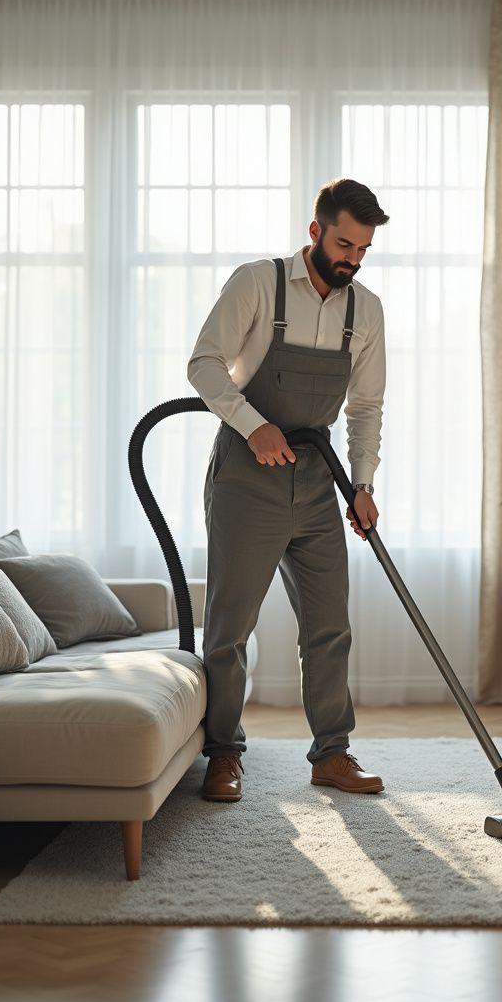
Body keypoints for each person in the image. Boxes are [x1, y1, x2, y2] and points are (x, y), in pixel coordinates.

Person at [187, 178, 389, 804]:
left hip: (318, 479)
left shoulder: (367, 310)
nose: (352, 259)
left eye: (363, 248)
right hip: (248, 477)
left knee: (330, 626)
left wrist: (361, 485)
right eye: (343, 243)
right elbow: (204, 363)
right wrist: (252, 425)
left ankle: (332, 754)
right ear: (316, 231)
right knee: (230, 628)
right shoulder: (258, 283)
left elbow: (365, 407)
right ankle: (223, 754)